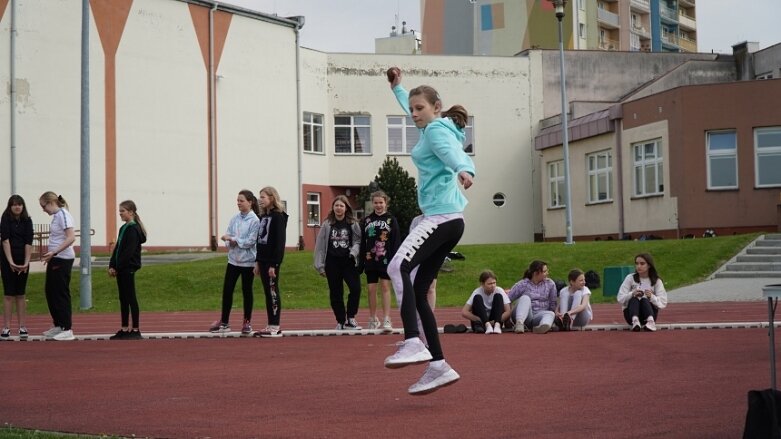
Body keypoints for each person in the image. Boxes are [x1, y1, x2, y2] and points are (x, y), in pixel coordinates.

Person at [383, 67, 475, 395]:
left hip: (440, 218)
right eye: (411, 109)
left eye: (419, 108)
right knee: (420, 289)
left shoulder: (436, 130)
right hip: (449, 221)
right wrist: (398, 88)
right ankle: (438, 365)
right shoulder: (433, 128)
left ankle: (412, 341)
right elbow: (415, 113)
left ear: (437, 107)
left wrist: (465, 169)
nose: (413, 114)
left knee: (397, 266)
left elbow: (453, 155)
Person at [210, 190, 260, 335]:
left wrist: (234, 240)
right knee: (227, 290)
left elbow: (250, 241)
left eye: (241, 200)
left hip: (248, 262)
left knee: (247, 291)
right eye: (237, 200)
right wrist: (228, 241)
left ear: (250, 202)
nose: (238, 203)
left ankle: (247, 322)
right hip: (233, 261)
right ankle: (224, 322)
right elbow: (228, 235)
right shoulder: (235, 219)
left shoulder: (255, 221)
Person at [314, 195, 363, 330]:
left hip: (348, 261)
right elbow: (320, 244)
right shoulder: (327, 224)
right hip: (332, 262)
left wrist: (354, 252)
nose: (339, 208)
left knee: (356, 289)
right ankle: (340, 320)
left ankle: (351, 317)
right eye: (336, 205)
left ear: (346, 207)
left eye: (341, 205)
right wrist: (320, 265)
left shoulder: (353, 223)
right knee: (336, 292)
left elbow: (359, 241)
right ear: (333, 208)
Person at [360, 190, 400, 332]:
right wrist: (361, 261)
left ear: (386, 203)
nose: (378, 205)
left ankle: (387, 318)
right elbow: (362, 242)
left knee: (385, 287)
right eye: (376, 203)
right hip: (370, 259)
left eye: (381, 202)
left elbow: (396, 241)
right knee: (371, 289)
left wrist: (395, 260)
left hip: (386, 259)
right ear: (372, 203)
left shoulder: (391, 220)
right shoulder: (366, 220)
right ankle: (372, 318)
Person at [39, 192, 76, 341]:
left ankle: (67, 328)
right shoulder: (57, 216)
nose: (43, 209)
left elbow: (71, 237)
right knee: (50, 291)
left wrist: (54, 251)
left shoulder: (64, 215)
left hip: (62, 258)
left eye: (43, 206)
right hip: (55, 258)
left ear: (50, 202)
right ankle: (59, 325)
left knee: (60, 292)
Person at [108, 200, 147, 340]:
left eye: (122, 211)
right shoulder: (123, 228)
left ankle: (135, 329)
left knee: (130, 298)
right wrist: (112, 265)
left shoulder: (133, 229)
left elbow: (128, 253)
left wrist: (118, 267)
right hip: (120, 268)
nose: (120, 214)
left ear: (131, 212)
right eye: (119, 211)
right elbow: (117, 249)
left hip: (128, 268)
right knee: (123, 298)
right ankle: (124, 328)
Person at [253, 186, 289, 338]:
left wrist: (275, 264)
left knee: (273, 291)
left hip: (272, 261)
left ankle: (275, 325)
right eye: (260, 197)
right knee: (268, 292)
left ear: (272, 198)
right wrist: (257, 261)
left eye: (263, 197)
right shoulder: (263, 217)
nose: (260, 200)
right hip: (262, 260)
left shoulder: (278, 217)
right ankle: (271, 323)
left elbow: (280, 243)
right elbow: (259, 241)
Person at [1, 195, 34, 339]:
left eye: (20, 204)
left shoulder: (27, 220)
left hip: (23, 259)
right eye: (14, 204)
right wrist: (10, 262)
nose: (17, 207)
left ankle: (22, 326)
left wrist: (26, 262)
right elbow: (5, 241)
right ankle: (6, 327)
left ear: (23, 206)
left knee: (20, 294)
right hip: (7, 259)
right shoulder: (5, 219)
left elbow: (29, 242)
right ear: (10, 206)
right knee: (9, 294)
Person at [617, 253, 667, 332]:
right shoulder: (630, 278)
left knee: (644, 299)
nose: (639, 266)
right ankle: (636, 322)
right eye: (637, 263)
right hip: (630, 315)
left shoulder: (656, 281)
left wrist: (651, 297)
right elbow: (620, 298)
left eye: (642, 263)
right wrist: (632, 294)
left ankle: (650, 322)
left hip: (650, 313)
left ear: (649, 265)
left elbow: (663, 303)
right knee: (634, 298)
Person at [506, 260, 557, 334]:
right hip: (524, 315)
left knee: (551, 313)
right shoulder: (522, 284)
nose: (547, 273)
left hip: (538, 316)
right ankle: (519, 324)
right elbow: (508, 299)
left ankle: (543, 326)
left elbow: (553, 303)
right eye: (545, 271)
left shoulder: (550, 284)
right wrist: (507, 318)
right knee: (525, 298)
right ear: (536, 273)